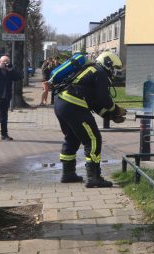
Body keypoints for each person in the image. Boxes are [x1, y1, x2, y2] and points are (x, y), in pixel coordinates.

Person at [54, 51, 127, 186]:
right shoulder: (100, 72)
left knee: (72, 138)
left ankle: (67, 173)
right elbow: (103, 99)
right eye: (113, 69)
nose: (114, 73)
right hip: (73, 105)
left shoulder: (90, 70)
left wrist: (111, 116)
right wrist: (117, 110)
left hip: (61, 102)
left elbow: (95, 103)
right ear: (108, 63)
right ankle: (94, 177)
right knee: (93, 139)